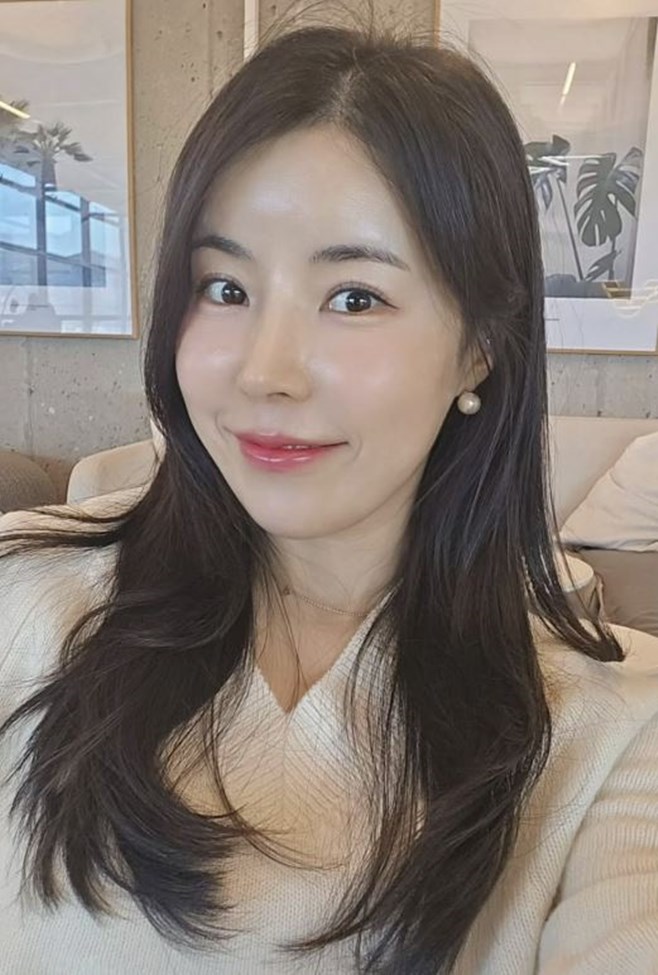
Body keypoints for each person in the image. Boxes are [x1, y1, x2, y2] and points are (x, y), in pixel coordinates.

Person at [1, 14, 658, 975]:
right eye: (224, 288)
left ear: (479, 347)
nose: (265, 372)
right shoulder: (23, 593)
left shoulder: (613, 726)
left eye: (354, 297)